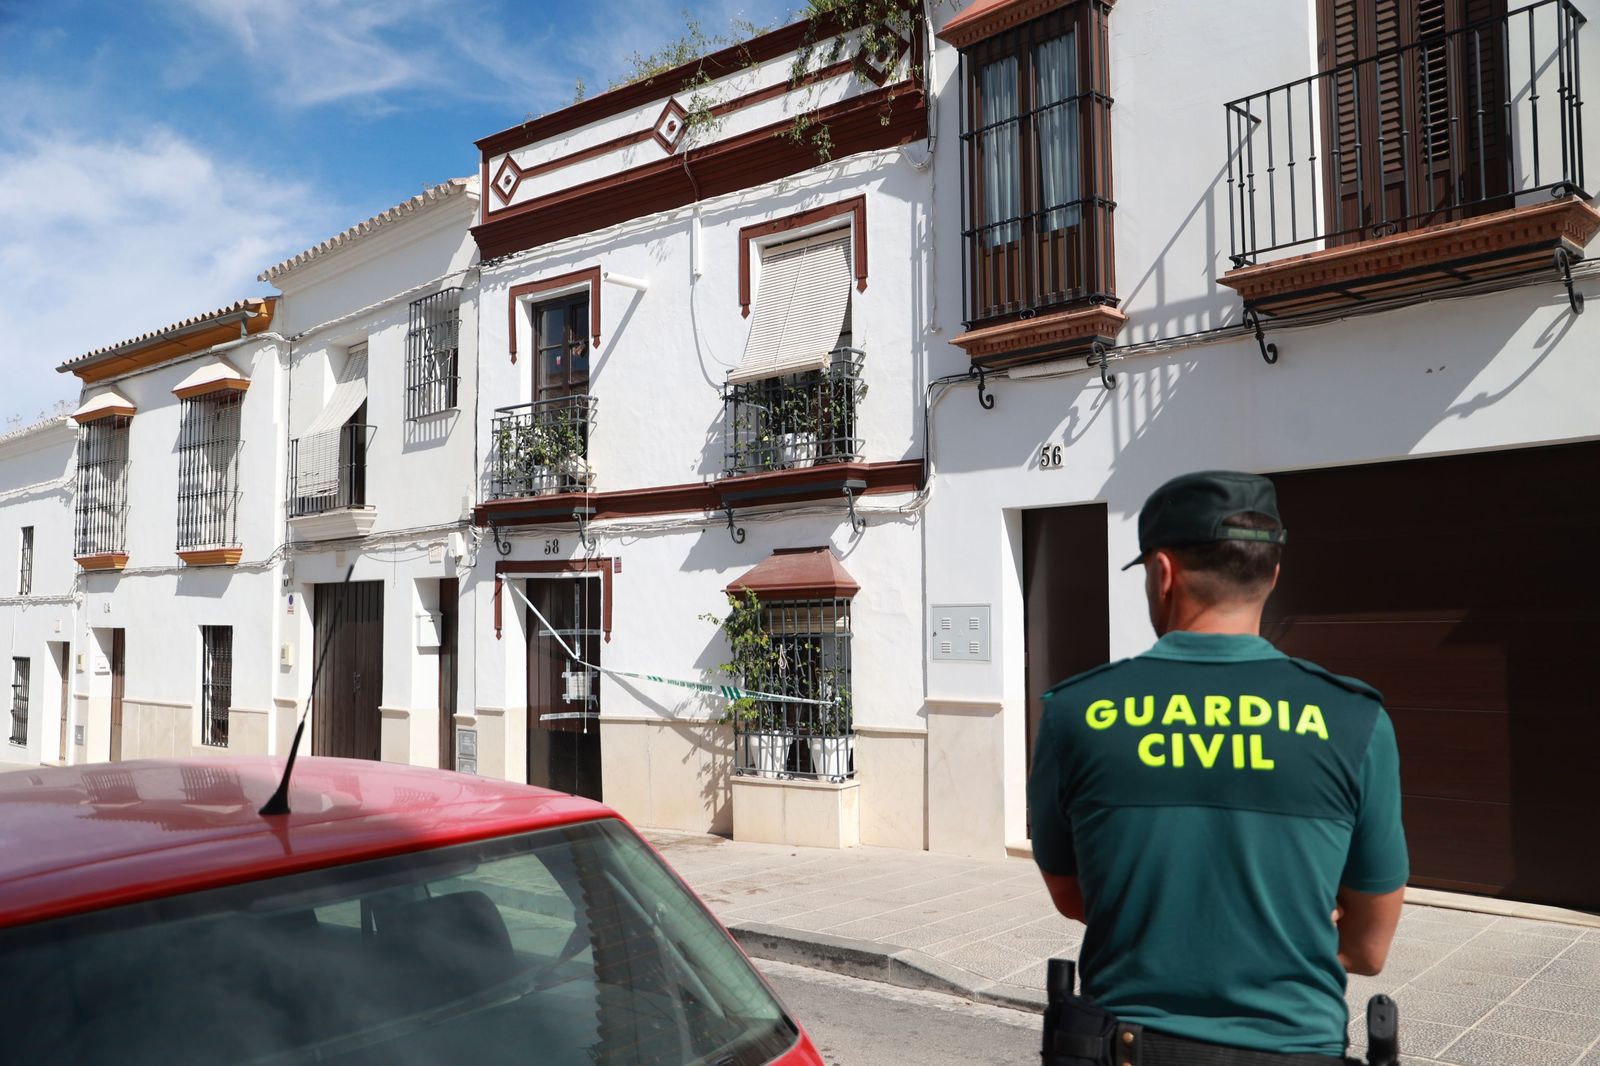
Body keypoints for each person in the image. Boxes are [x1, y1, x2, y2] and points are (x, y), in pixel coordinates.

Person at [1028, 470, 1408, 1063]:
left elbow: (1074, 895)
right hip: (1298, 1048)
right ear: (1272, 573)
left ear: (1162, 573)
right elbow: (1368, 948)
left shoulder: (1074, 713)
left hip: (1129, 1049)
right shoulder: (1354, 719)